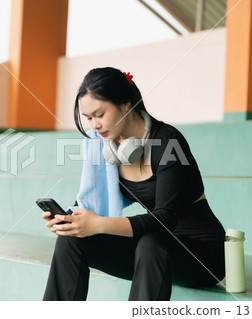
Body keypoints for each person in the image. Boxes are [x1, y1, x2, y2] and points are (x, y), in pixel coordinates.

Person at [41, 67, 226, 301]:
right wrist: (68, 222)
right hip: (152, 252)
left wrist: (99, 225)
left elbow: (165, 218)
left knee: (152, 240)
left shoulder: (169, 142)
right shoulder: (104, 147)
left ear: (126, 104)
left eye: (99, 114)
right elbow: (91, 200)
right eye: (88, 118)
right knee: (70, 241)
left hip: (201, 254)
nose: (94, 126)